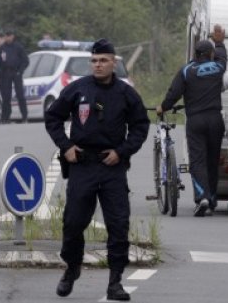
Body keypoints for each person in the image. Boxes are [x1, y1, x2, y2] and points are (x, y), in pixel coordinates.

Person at [44, 39, 149, 301]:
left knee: (118, 224)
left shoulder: (126, 93)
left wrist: (122, 152)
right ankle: (72, 267)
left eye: (103, 60)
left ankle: (115, 282)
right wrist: (66, 146)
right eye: (94, 61)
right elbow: (53, 117)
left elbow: (140, 126)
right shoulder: (78, 90)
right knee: (73, 223)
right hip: (83, 165)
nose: (98, 65)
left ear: (114, 63)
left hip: (111, 166)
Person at [158, 25, 227, 217]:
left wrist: (162, 107)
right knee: (213, 160)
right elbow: (223, 57)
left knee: (197, 160)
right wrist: (220, 42)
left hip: (196, 120)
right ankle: (212, 200)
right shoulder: (218, 67)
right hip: (215, 119)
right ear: (211, 54)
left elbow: (174, 94)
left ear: (196, 53)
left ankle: (202, 197)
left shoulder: (187, 70)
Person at [0, 30, 29, 123]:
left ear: (13, 36)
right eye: (6, 36)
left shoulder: (18, 47)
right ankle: (5, 117)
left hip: (16, 73)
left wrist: (20, 71)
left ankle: (24, 116)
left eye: (9, 35)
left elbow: (25, 61)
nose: (7, 37)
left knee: (20, 95)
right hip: (6, 73)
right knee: (6, 96)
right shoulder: (2, 48)